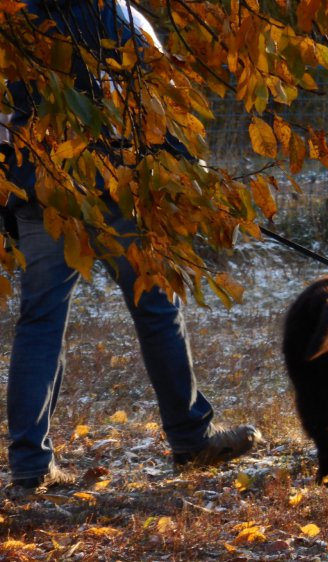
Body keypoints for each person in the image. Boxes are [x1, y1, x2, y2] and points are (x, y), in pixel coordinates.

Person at [2, 0, 261, 495]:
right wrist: (183, 175)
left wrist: (10, 195)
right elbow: (162, 111)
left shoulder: (16, 25)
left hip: (43, 190)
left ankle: (30, 467)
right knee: (157, 307)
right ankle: (190, 437)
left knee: (40, 321)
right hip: (122, 188)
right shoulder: (123, 19)